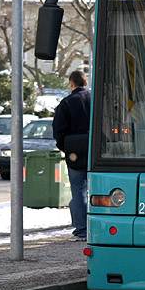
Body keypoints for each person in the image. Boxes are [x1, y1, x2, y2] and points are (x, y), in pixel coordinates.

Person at [53, 70, 91, 241]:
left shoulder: (66, 103)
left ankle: (81, 229)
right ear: (85, 82)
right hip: (98, 151)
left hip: (75, 153)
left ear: (72, 83)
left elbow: (58, 130)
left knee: (78, 190)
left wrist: (66, 148)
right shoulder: (96, 99)